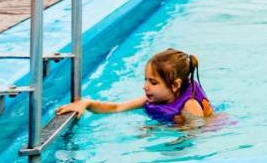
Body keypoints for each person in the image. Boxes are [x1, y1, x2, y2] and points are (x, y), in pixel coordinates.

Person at [55, 48, 213, 125]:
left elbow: (196, 134)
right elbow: (117, 108)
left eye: (153, 82)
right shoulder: (155, 98)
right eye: (146, 80)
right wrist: (87, 103)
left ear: (175, 85)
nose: (145, 87)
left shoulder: (190, 105)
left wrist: (162, 130)